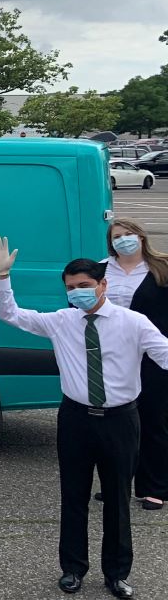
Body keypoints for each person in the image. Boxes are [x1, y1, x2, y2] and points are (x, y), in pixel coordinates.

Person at [0, 236, 168, 600]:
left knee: (117, 499)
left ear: (103, 285)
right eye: (71, 288)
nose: (77, 293)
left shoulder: (133, 323)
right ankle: (73, 568)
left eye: (84, 286)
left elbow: (165, 354)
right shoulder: (62, 321)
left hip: (120, 420)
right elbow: (11, 315)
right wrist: (2, 277)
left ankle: (116, 573)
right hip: (75, 419)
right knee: (73, 496)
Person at [106, 219, 168, 511]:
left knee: (153, 420)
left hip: (152, 355)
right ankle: (116, 485)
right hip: (114, 355)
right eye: (117, 236)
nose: (123, 240)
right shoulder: (101, 269)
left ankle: (155, 487)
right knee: (115, 424)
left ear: (141, 237)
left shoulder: (161, 268)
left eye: (129, 234)